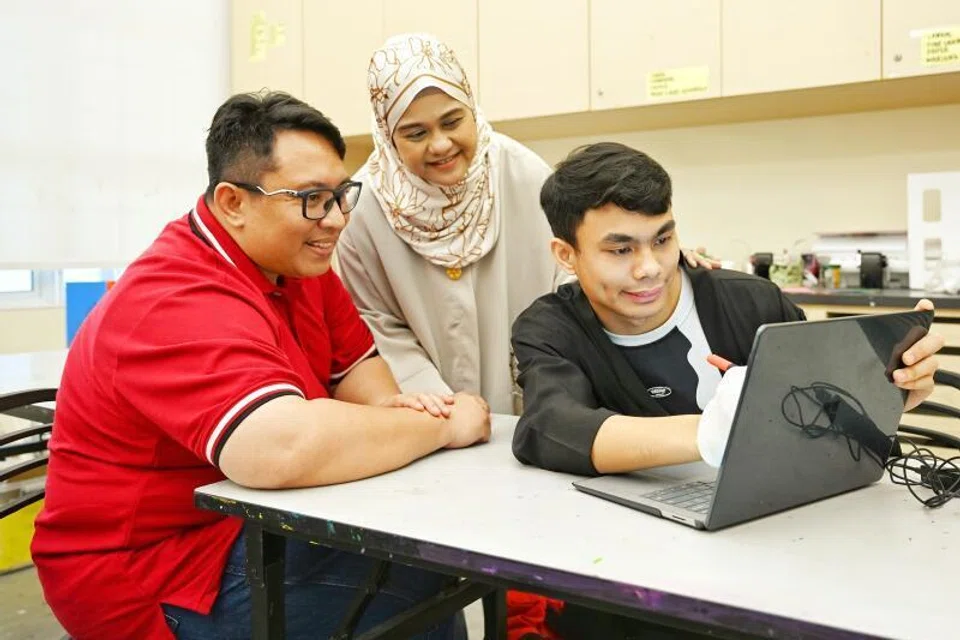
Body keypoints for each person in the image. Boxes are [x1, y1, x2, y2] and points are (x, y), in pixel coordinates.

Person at [31, 91, 491, 640]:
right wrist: (441, 424)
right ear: (232, 203)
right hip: (154, 572)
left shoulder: (298, 267)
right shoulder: (172, 296)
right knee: (421, 573)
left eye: (342, 195)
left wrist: (391, 414)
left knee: (431, 555)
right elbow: (277, 449)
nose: (337, 220)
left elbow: (360, 372)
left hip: (241, 525)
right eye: (313, 199)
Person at [510, 142, 945, 638]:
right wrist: (713, 431)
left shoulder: (751, 304)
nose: (649, 267)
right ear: (567, 254)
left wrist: (886, 393)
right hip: (626, 580)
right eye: (620, 249)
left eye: (663, 239)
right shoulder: (550, 326)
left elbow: (829, 417)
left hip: (781, 557)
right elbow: (551, 426)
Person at [337, 33, 716, 417]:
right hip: (426, 413)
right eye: (415, 133)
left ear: (472, 108)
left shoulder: (522, 173)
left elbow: (573, 275)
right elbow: (374, 322)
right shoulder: (364, 207)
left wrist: (652, 261)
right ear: (387, 136)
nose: (440, 144)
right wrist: (443, 408)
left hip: (539, 396)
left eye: (452, 121)